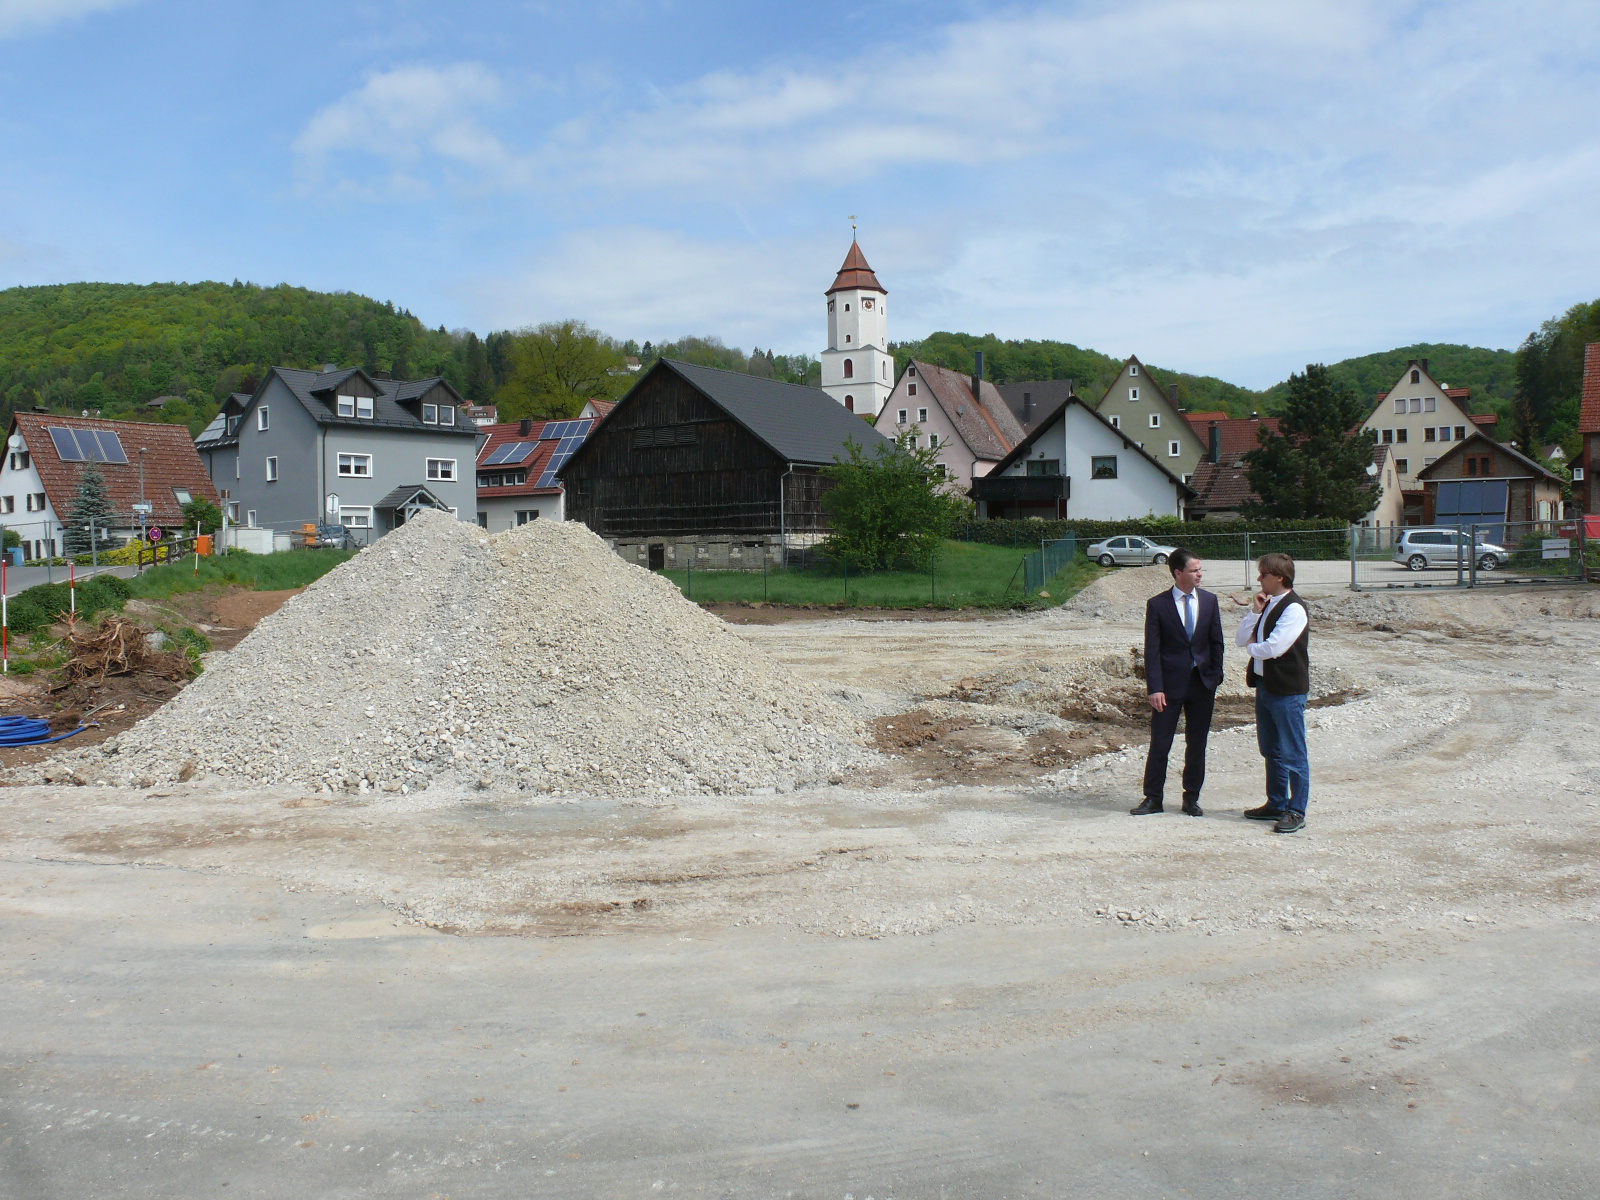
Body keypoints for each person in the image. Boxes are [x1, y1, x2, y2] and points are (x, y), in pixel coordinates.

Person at [1131, 548, 1225, 817]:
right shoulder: (1158, 605)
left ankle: (1191, 798)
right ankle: (1153, 798)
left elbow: (1216, 641)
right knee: (1160, 743)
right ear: (1178, 573)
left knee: (1197, 744)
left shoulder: (1209, 600)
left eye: (1200, 569)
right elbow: (1153, 649)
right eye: (1195, 570)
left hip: (1202, 684)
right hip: (1169, 687)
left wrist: (1216, 674)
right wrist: (1155, 688)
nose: (1200, 574)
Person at [1236, 552, 1311, 834]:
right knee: (1271, 749)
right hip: (1266, 686)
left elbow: (1274, 648)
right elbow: (1241, 638)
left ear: (1279, 576)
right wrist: (1255, 613)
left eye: (1263, 574)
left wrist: (1253, 647)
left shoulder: (1294, 609)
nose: (1259, 579)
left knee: (1293, 752)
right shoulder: (1267, 604)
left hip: (1287, 691)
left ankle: (1296, 810)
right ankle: (1277, 803)